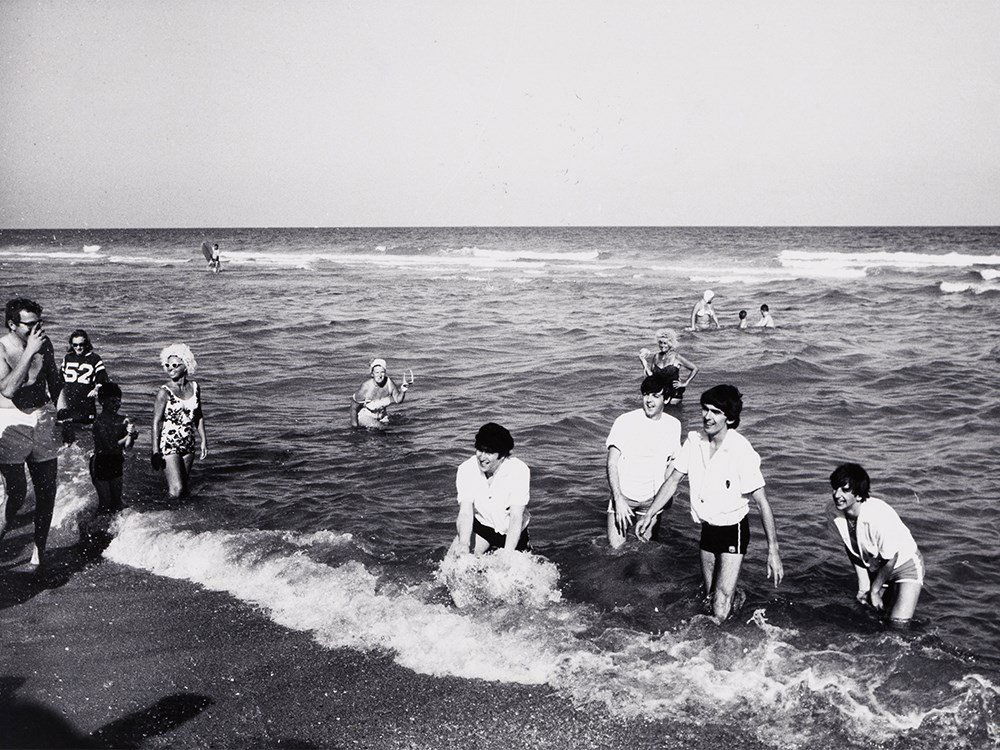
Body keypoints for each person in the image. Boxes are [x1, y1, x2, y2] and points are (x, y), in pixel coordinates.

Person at [637, 385, 783, 622]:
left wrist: (773, 551)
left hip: (733, 528)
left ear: (730, 417)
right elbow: (673, 480)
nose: (707, 416)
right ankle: (734, 603)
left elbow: (762, 503)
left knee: (720, 601)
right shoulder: (695, 442)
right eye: (705, 409)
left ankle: (722, 645)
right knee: (709, 596)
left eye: (715, 412)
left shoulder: (740, 449)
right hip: (707, 529)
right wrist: (649, 515)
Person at [0, 298, 62, 567]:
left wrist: (65, 418)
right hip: (11, 419)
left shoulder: (44, 343)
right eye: (30, 324)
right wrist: (28, 353)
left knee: (47, 491)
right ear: (13, 325)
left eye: (40, 322)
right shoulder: (2, 347)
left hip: (44, 416)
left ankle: (40, 551)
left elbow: (55, 380)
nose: (38, 328)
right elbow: (8, 390)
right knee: (16, 492)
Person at [829, 463, 923, 625]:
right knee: (872, 618)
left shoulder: (877, 515)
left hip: (905, 567)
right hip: (879, 567)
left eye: (844, 490)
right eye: (835, 488)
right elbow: (851, 548)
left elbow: (892, 558)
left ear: (858, 495)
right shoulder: (833, 512)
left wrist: (874, 590)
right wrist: (863, 586)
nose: (837, 495)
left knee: (898, 624)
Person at [605, 376, 682, 548]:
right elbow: (611, 463)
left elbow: (671, 463)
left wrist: (665, 499)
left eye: (655, 395)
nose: (649, 400)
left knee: (645, 553)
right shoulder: (625, 421)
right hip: (624, 496)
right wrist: (618, 500)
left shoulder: (674, 425)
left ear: (667, 399)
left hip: (651, 500)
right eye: (646, 394)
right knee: (615, 553)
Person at [452, 422, 530, 554]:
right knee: (454, 563)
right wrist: (464, 543)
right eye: (480, 450)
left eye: (489, 452)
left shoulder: (519, 470)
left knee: (511, 572)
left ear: (502, 455)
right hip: (483, 527)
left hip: (510, 530)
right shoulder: (466, 469)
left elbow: (516, 517)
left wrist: (507, 554)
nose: (482, 457)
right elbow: (465, 512)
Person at [151, 344, 207, 499]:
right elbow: (156, 422)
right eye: (167, 365)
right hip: (169, 444)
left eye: (175, 365)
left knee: (184, 489)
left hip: (188, 443)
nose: (170, 368)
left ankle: (182, 519)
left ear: (186, 366)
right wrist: (155, 451)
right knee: (176, 489)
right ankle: (164, 517)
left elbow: (198, 415)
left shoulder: (195, 387)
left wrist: (203, 440)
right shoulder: (164, 392)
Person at [90, 382, 138, 515]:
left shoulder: (123, 420)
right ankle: (92, 528)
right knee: (105, 502)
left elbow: (127, 447)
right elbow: (109, 446)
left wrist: (131, 437)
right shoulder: (99, 422)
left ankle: (113, 529)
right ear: (101, 401)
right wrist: (128, 435)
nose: (116, 404)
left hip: (116, 461)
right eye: (112, 401)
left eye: (118, 401)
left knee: (117, 502)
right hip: (100, 463)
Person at [57, 329, 109, 441]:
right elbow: (60, 379)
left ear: (87, 344)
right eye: (75, 345)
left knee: (86, 435)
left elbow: (103, 379)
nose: (78, 348)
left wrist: (96, 388)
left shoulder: (94, 358)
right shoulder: (67, 358)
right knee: (66, 436)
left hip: (86, 405)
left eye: (81, 344)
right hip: (69, 403)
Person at [639, 328, 699, 404]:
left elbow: (695, 369)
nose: (662, 345)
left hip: (674, 393)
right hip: (659, 392)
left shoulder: (676, 357)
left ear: (671, 344)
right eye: (660, 343)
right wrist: (643, 361)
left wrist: (685, 383)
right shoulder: (656, 356)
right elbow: (651, 376)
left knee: (673, 413)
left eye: (665, 343)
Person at [350, 358, 410, 428]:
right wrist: (354, 427)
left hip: (382, 415)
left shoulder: (389, 383)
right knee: (381, 428)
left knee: (396, 429)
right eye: (377, 372)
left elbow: (398, 400)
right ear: (372, 374)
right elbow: (353, 408)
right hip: (365, 416)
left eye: (382, 372)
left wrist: (403, 391)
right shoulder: (365, 387)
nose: (380, 375)